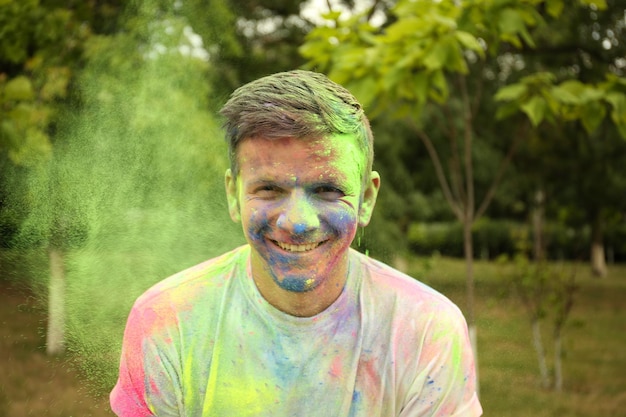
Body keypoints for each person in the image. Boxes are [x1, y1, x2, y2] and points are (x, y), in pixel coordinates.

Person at [110, 70, 482, 416]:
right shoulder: (167, 320)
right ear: (233, 195)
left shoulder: (426, 329)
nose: (298, 223)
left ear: (366, 198)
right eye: (269, 189)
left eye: (327, 190)